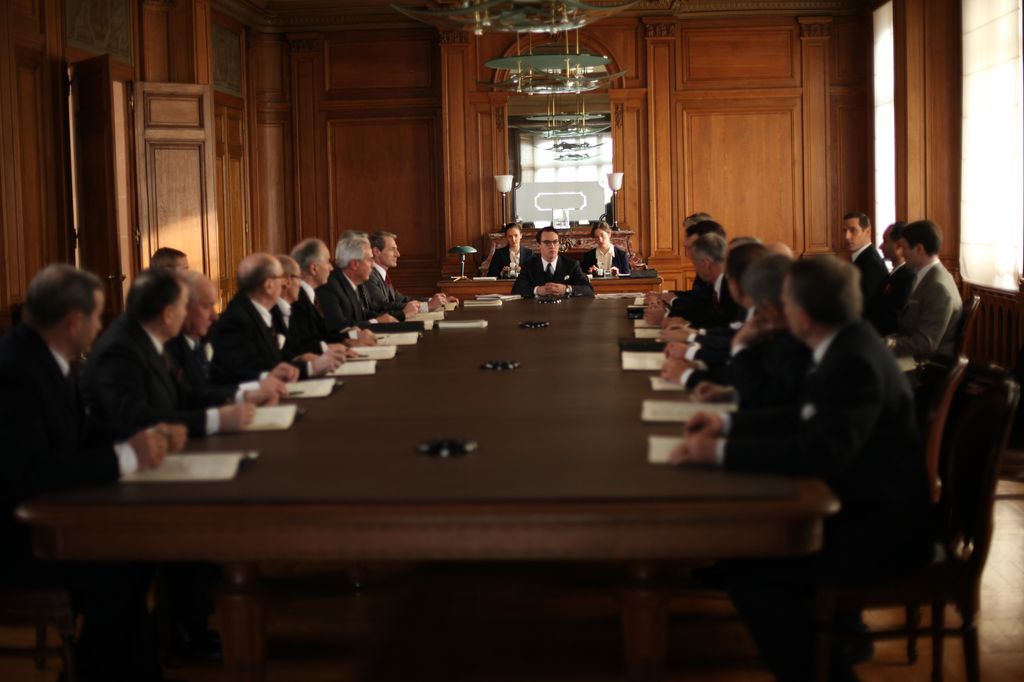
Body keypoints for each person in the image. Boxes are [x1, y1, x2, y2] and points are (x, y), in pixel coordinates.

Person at [668, 255, 932, 682]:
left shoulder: (854, 361)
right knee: (747, 563)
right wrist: (728, 425)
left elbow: (819, 452)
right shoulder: (845, 341)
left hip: (879, 529)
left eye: (786, 303)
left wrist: (718, 453)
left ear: (804, 315)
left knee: (754, 575)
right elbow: (802, 414)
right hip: (857, 505)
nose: (779, 313)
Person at [0, 264, 178, 681]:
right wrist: (124, 457)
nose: (101, 326)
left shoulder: (47, 357)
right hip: (17, 539)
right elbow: (31, 472)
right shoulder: (14, 371)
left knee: (138, 560)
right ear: (74, 321)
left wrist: (140, 439)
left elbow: (81, 434)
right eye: (98, 316)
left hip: (51, 521)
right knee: (119, 575)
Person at [210, 254, 344, 384]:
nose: (285, 283)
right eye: (281, 278)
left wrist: (299, 359)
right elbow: (244, 371)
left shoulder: (258, 310)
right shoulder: (237, 320)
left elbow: (275, 360)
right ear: (268, 286)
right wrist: (311, 368)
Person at [165, 271, 287, 407]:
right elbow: (190, 397)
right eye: (206, 306)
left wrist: (262, 380)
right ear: (184, 307)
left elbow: (219, 377)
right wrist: (242, 396)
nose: (215, 316)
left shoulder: (200, 338)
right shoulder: (169, 348)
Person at [888, 219, 963, 359]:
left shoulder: (938, 287)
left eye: (904, 248)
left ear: (919, 249)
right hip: (914, 354)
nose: (902, 254)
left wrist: (887, 347)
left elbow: (926, 343)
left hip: (927, 362)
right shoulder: (924, 276)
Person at [290, 238, 378, 348]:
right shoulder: (297, 299)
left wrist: (351, 335)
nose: (331, 268)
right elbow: (305, 343)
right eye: (327, 261)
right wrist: (350, 336)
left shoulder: (306, 296)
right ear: (314, 269)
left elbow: (323, 335)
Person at [317, 235, 401, 333]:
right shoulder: (330, 286)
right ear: (354, 264)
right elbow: (339, 327)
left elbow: (362, 314)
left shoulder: (351, 282)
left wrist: (388, 319)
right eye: (369, 259)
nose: (373, 264)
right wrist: (376, 322)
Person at [363, 231, 451, 319]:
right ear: (376, 251)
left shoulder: (381, 274)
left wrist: (434, 300)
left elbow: (402, 299)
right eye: (392, 249)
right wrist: (427, 306)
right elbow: (383, 306)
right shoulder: (369, 275)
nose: (398, 254)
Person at [510, 226, 594, 298]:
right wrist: (537, 290)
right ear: (539, 245)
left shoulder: (571, 265)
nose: (552, 246)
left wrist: (566, 289)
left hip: (565, 310)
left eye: (555, 242)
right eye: (547, 242)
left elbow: (588, 289)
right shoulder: (529, 266)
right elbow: (516, 290)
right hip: (537, 310)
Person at [864, 221, 914, 335]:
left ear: (899, 246)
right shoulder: (893, 275)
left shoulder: (907, 277)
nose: (880, 246)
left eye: (885, 241)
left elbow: (894, 319)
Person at [843, 211, 887, 306]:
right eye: (844, 231)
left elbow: (865, 306)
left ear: (867, 232)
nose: (847, 236)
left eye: (853, 230)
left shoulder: (873, 265)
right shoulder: (859, 258)